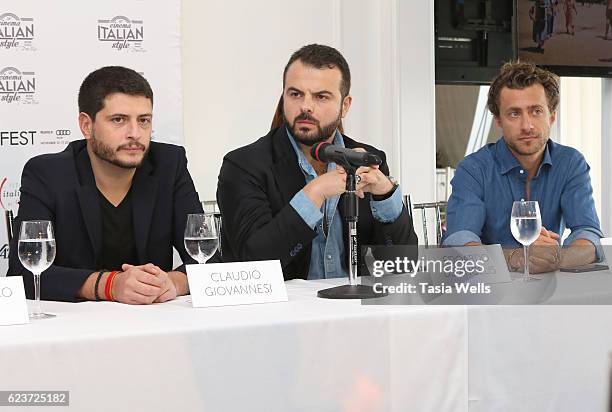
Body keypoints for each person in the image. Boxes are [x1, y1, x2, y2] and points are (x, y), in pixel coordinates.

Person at [217, 44, 417, 280]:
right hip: (281, 313)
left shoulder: (368, 159)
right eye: (295, 94)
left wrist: (386, 195)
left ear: (345, 106)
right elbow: (253, 264)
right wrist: (314, 193)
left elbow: (402, 268)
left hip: (357, 311)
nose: (305, 106)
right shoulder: (244, 166)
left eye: (321, 97)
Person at [7, 66, 205, 303]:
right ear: (86, 125)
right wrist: (110, 285)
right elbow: (24, 273)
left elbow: (207, 258)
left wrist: (171, 283)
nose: (135, 133)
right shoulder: (48, 174)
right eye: (119, 120)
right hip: (73, 327)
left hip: (153, 321)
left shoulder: (169, 165)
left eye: (143, 120)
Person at [443, 61, 602, 273]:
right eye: (514, 114)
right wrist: (517, 258)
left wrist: (557, 258)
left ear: (552, 115)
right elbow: (459, 242)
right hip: (490, 291)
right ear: (498, 121)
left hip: (551, 291)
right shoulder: (474, 169)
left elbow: (588, 234)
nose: (527, 125)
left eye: (536, 111)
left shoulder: (571, 163)